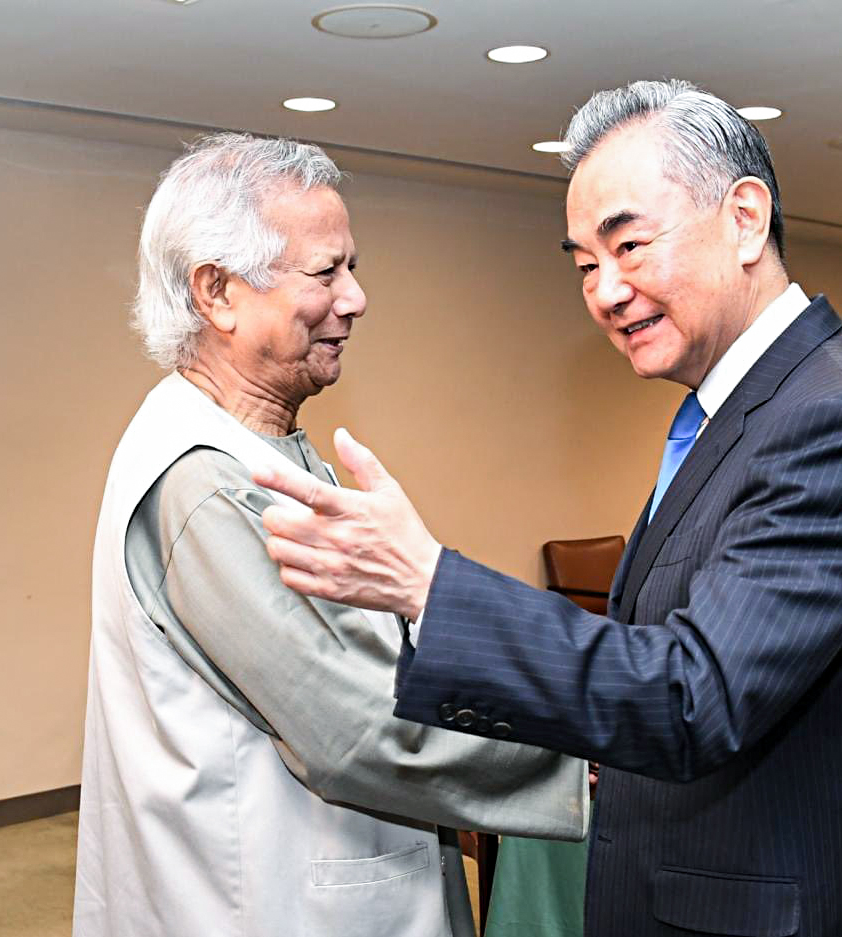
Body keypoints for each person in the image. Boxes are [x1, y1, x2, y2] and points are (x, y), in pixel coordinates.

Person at [256, 80, 842, 937]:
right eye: (585, 264)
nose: (606, 292)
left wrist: (431, 584)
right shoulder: (739, 408)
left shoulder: (834, 421)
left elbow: (696, 693)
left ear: (745, 219)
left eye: (630, 246)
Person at [74, 133, 587, 937]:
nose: (355, 297)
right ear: (217, 292)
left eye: (353, 267)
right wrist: (583, 757)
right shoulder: (204, 481)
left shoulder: (264, 445)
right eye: (325, 272)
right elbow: (354, 730)